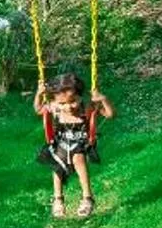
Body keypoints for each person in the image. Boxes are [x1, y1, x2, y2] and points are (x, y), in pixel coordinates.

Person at [35, 71, 115, 218]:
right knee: (57, 164)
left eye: (73, 101)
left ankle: (87, 198)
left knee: (78, 158)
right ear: (55, 101)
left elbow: (110, 115)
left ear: (80, 96)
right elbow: (39, 109)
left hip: (81, 141)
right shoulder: (54, 107)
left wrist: (102, 99)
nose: (68, 107)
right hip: (61, 141)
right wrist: (39, 94)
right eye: (62, 103)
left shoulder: (86, 107)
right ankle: (58, 199)